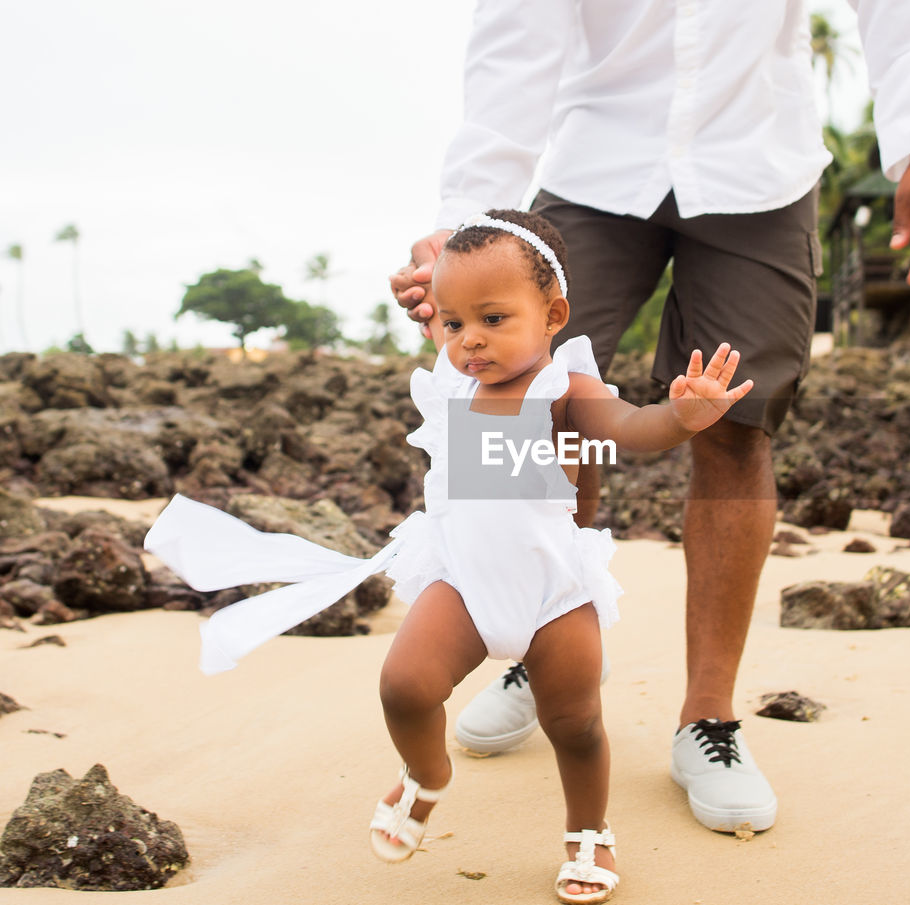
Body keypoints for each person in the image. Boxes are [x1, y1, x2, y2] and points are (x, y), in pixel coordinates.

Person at [390, 0, 910, 834]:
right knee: (524, 401)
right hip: (597, 159)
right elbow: (514, 42)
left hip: (757, 158)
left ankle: (708, 717)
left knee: (736, 421)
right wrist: (463, 226)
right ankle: (536, 639)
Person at [146, 210, 753, 905]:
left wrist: (681, 416)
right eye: (456, 322)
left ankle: (589, 829)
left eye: (494, 319)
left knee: (576, 724)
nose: (471, 339)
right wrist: (436, 273)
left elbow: (630, 427)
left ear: (552, 313)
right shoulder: (456, 377)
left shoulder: (566, 388)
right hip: (462, 583)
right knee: (404, 685)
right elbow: (444, 302)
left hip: (553, 593)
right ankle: (426, 773)